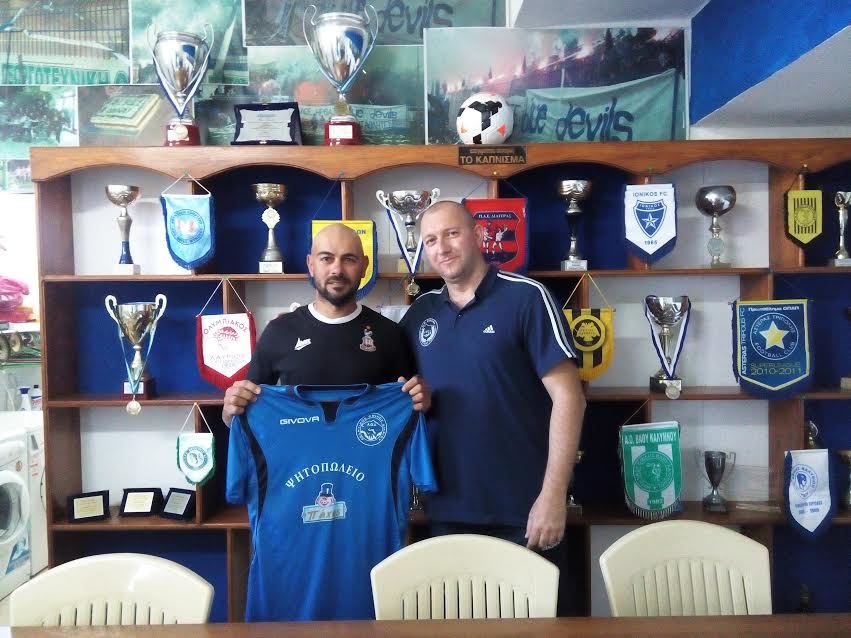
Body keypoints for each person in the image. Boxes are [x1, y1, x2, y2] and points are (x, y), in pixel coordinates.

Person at [399, 201, 585, 556]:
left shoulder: (527, 298)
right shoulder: (421, 312)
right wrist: (418, 397)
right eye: (432, 240)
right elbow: (398, 392)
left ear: (479, 234)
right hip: (446, 510)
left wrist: (552, 494)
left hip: (525, 511)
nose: (442, 248)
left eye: (452, 234)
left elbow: (570, 398)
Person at [223, 223, 429, 423]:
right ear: (311, 264)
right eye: (326, 258)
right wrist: (230, 410)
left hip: (368, 446)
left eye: (349, 259)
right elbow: (243, 415)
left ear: (365, 266)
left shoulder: (390, 334)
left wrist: (422, 402)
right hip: (298, 448)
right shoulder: (279, 331)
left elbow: (411, 411)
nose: (337, 269)